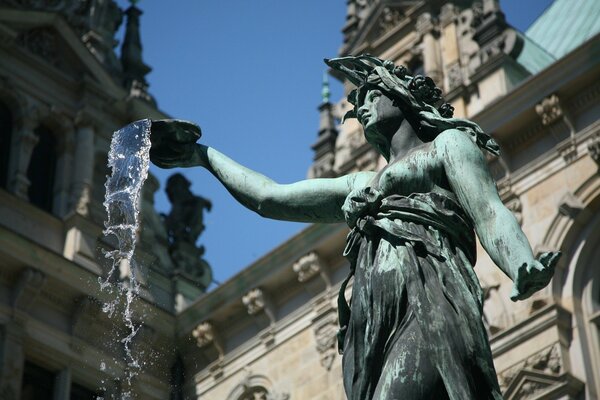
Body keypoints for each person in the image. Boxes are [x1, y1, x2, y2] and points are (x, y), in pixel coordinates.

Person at [148, 55, 559, 400]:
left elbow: (488, 211)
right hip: (372, 318)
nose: (360, 107)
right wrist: (204, 156)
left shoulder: (449, 147)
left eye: (370, 95)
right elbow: (269, 198)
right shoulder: (359, 183)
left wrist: (520, 261)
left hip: (430, 296)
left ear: (399, 96)